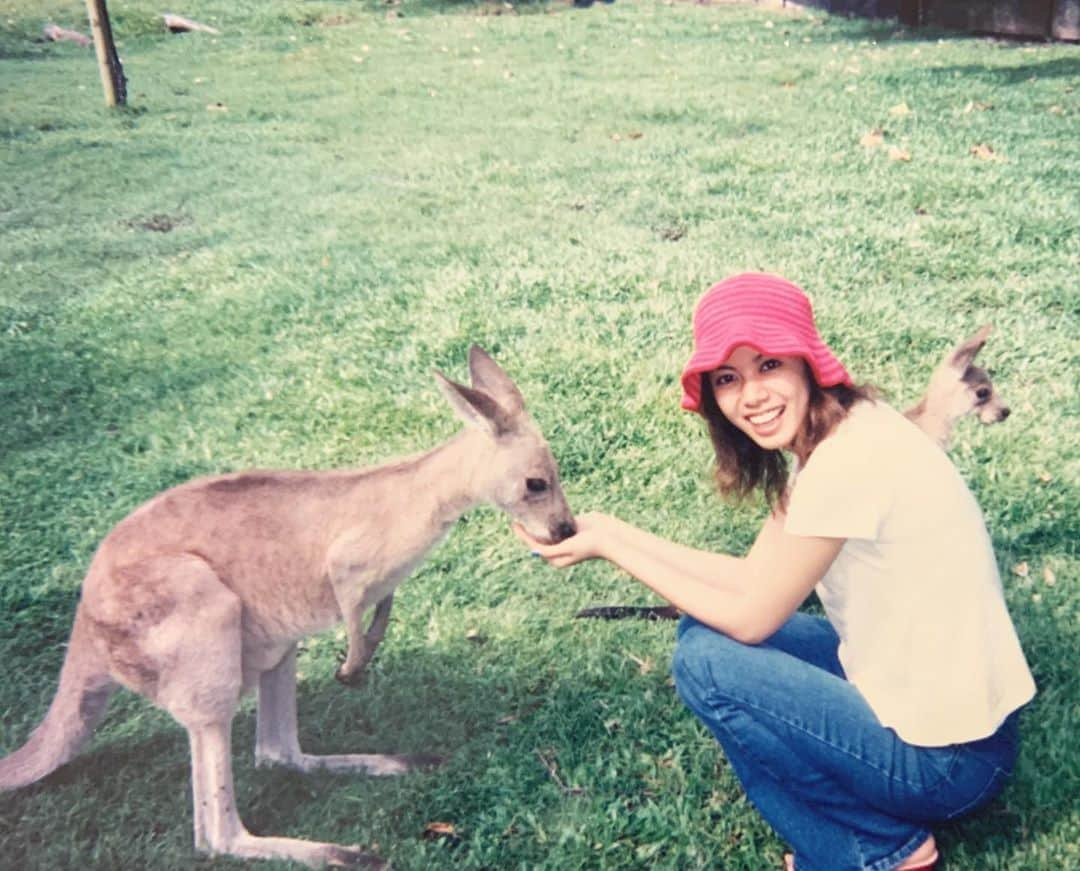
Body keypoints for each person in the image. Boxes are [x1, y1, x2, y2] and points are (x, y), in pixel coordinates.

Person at [513, 273, 1036, 871]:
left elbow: (752, 616)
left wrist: (614, 547)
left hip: (949, 764)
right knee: (702, 636)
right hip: (946, 719)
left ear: (807, 363)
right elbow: (750, 577)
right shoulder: (850, 430)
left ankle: (880, 850)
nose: (751, 396)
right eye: (728, 379)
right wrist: (611, 533)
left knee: (707, 665)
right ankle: (870, 841)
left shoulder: (844, 465)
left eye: (768, 365)